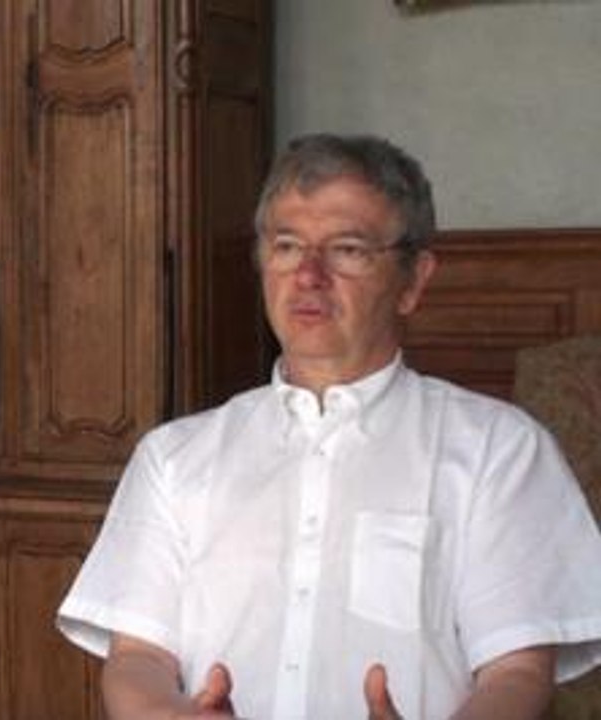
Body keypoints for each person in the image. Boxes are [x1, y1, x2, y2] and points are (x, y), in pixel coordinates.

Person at [56, 133, 601, 719]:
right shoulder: (174, 456)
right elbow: (136, 657)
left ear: (414, 280)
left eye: (347, 250)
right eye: (287, 246)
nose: (309, 275)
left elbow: (517, 672)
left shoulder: (499, 449)